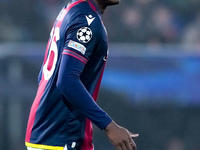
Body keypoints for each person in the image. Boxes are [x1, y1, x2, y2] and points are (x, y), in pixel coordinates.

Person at [25, 0, 138, 150]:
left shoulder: (72, 9)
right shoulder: (86, 20)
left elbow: (44, 76)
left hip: (49, 130)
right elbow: (67, 80)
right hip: (59, 135)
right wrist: (108, 125)